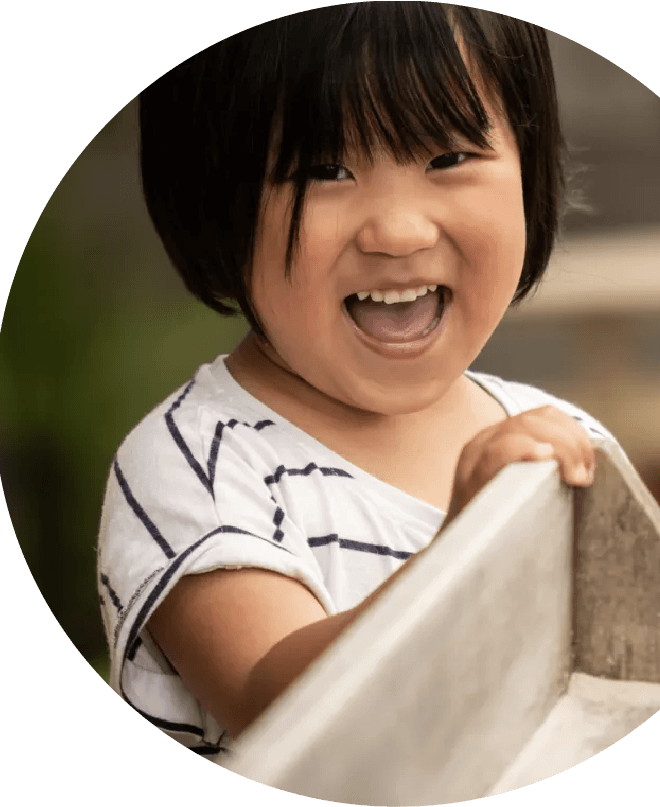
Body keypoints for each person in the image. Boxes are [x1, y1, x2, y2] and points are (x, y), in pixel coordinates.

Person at [97, 2, 612, 759]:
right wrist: (462, 553)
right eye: (323, 169)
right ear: (211, 198)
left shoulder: (560, 441)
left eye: (448, 158)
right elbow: (275, 698)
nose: (398, 231)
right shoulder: (194, 465)